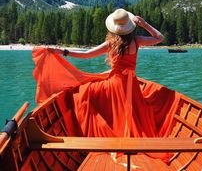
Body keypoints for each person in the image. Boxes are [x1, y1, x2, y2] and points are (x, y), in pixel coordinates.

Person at [33, 9, 180, 165]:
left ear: (114, 28)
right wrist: (144, 24)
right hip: (132, 85)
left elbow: (86, 55)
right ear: (130, 26)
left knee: (81, 92)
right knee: (131, 110)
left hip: (115, 84)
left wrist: (62, 51)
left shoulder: (111, 43)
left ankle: (106, 133)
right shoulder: (137, 40)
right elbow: (160, 37)